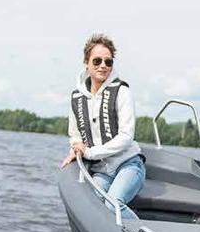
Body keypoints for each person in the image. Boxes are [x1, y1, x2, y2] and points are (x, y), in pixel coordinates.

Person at [60, 34, 144, 214]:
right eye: (97, 61)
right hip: (102, 170)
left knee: (112, 204)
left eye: (108, 61)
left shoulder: (122, 91)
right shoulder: (77, 97)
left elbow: (126, 137)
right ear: (86, 63)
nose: (103, 66)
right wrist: (76, 148)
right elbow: (74, 134)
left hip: (128, 165)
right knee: (91, 204)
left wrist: (90, 152)